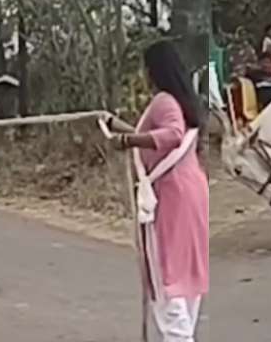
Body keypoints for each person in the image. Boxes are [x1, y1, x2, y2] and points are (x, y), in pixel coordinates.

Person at [104, 41, 209, 340]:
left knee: (168, 280)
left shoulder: (164, 101)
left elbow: (172, 135)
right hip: (192, 192)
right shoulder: (182, 101)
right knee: (185, 276)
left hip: (173, 194)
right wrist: (120, 128)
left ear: (155, 70)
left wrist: (127, 143)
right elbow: (163, 133)